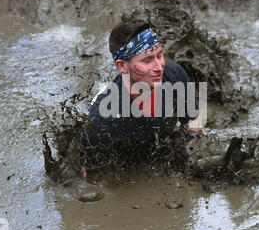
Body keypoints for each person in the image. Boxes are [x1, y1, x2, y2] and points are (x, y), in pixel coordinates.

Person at [79, 20, 206, 177]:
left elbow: (195, 129)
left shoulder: (174, 76)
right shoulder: (103, 120)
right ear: (122, 66)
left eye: (159, 55)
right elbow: (93, 181)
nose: (159, 67)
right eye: (147, 60)